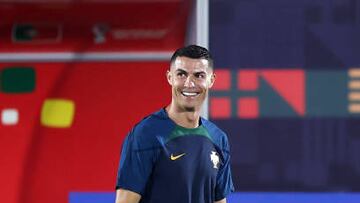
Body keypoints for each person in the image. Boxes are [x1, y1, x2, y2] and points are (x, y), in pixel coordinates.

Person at [115, 45, 234, 203]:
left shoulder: (219, 139)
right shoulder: (145, 134)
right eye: (181, 74)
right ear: (169, 77)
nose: (189, 84)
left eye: (199, 75)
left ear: (211, 80)